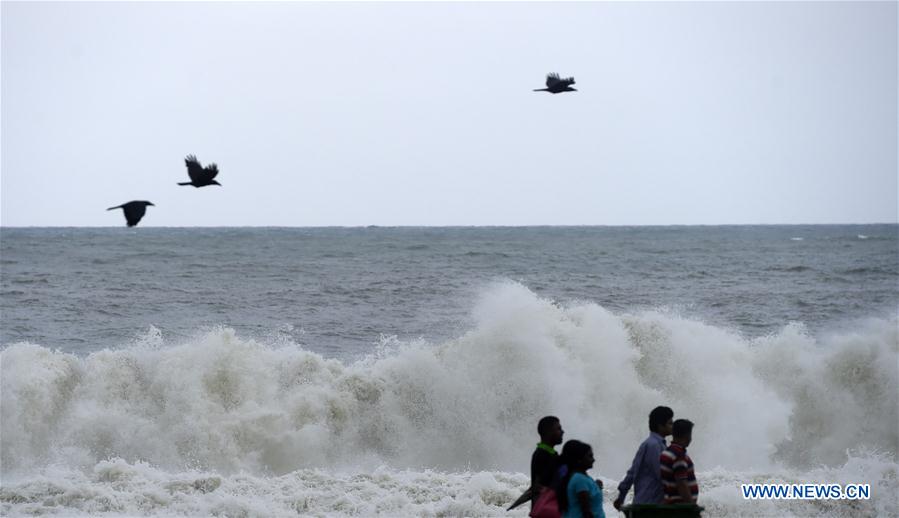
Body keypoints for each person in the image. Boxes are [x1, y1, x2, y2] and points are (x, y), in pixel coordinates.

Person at [613, 406, 674, 510]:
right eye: (670, 423)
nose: (672, 426)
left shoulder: (653, 444)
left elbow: (632, 472)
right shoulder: (654, 446)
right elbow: (662, 475)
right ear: (660, 426)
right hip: (650, 504)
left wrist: (621, 496)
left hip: (645, 502)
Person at [557, 440, 605, 518]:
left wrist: (596, 487)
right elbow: (587, 512)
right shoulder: (580, 479)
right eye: (590, 456)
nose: (593, 459)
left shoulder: (580, 477)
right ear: (579, 459)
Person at [660, 419, 698, 504]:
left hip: (670, 504)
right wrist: (691, 507)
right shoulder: (679, 455)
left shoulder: (667, 452)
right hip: (680, 507)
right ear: (687, 436)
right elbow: (681, 483)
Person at [531, 415, 565, 502]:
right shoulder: (542, 455)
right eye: (558, 429)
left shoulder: (550, 454)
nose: (562, 432)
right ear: (548, 432)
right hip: (546, 510)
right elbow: (538, 487)